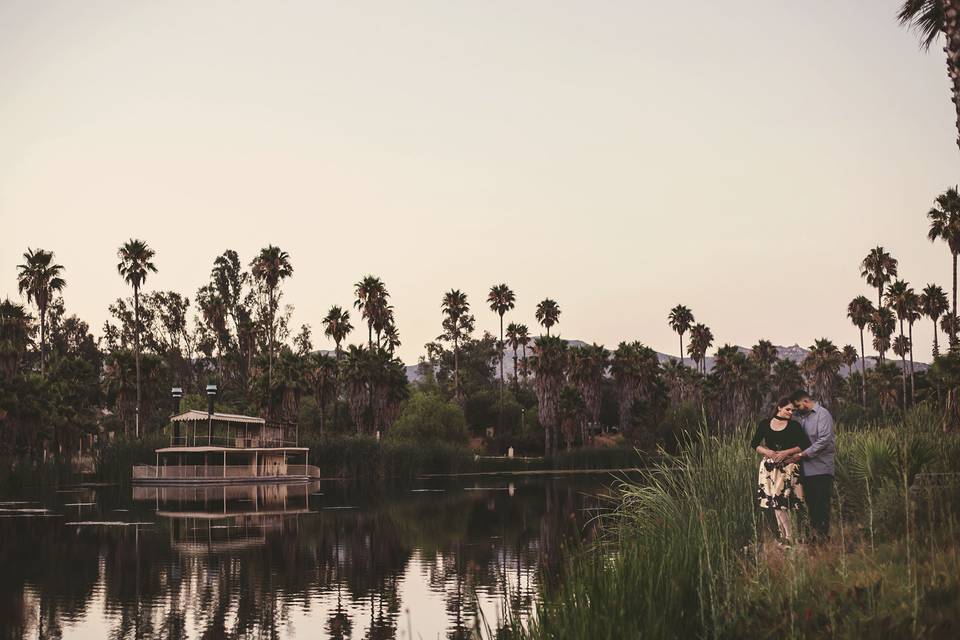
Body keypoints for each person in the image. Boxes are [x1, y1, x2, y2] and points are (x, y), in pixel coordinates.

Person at [750, 397, 811, 545]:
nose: (791, 412)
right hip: (770, 468)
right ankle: (785, 536)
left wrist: (786, 452)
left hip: (788, 467)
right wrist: (767, 452)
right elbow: (754, 444)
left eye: (792, 410)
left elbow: (804, 444)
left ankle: (790, 536)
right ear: (779, 408)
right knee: (775, 502)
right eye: (788, 409)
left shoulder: (794, 426)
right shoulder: (765, 424)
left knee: (784, 502)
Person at [789, 389, 836, 543]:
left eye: (797, 406)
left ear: (805, 401)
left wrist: (802, 455)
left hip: (821, 468)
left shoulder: (823, 415)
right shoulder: (803, 418)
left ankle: (823, 538)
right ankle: (814, 537)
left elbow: (823, 441)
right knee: (810, 504)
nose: (796, 410)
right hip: (806, 470)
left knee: (821, 503)